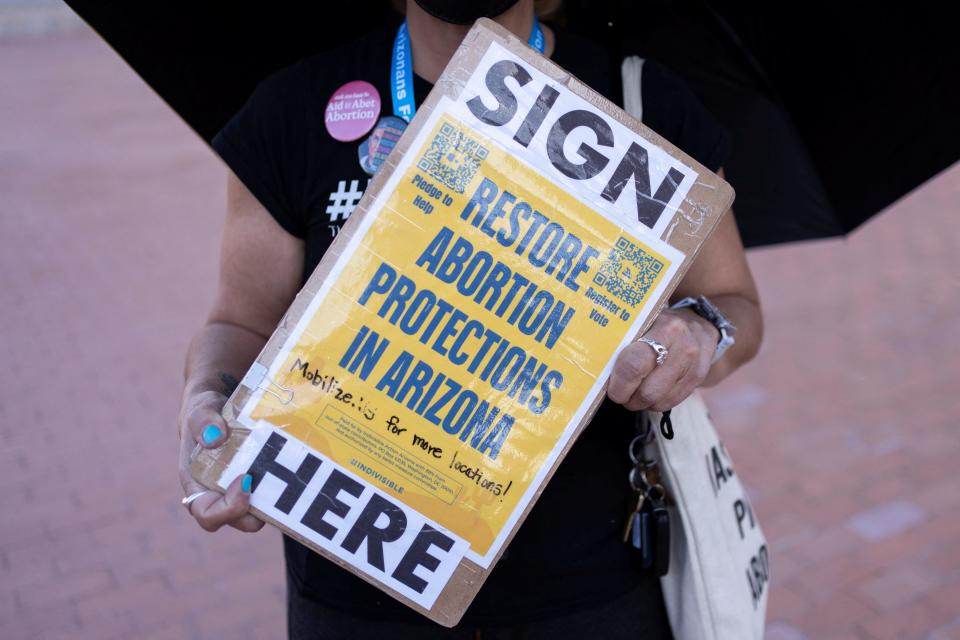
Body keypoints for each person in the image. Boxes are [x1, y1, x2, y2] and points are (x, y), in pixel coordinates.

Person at [176, 1, 763, 638]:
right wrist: (208, 399)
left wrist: (699, 335)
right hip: (355, 587)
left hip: (587, 587)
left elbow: (736, 307)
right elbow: (238, 324)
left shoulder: (641, 102)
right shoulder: (294, 108)